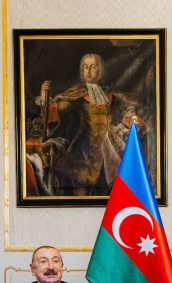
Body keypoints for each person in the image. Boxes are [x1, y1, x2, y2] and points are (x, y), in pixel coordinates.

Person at [36, 53, 144, 196]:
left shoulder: (109, 95)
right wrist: (45, 98)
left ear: (100, 71)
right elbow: (57, 110)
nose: (88, 71)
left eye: (93, 67)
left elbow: (130, 105)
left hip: (106, 153)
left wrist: (131, 117)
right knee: (82, 193)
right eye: (86, 67)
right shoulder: (77, 94)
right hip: (82, 154)